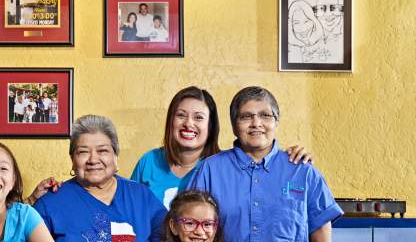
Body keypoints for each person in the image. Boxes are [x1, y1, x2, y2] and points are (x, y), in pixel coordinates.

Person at [186, 86, 343, 242]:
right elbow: (188, 234)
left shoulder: (303, 172)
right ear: (234, 126)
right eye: (246, 117)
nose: (256, 123)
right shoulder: (210, 170)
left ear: (276, 122)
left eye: (265, 115)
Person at [33, 115, 167, 242]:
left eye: (102, 151)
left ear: (115, 156)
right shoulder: (51, 202)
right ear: (72, 160)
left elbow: (168, 241)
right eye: (83, 152)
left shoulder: (141, 196)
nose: (93, 160)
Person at [130, 86, 311, 209]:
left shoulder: (219, 168)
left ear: (211, 126)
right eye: (181, 115)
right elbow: (130, 213)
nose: (188, 124)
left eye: (199, 118)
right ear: (171, 120)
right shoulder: (149, 162)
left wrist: (293, 157)